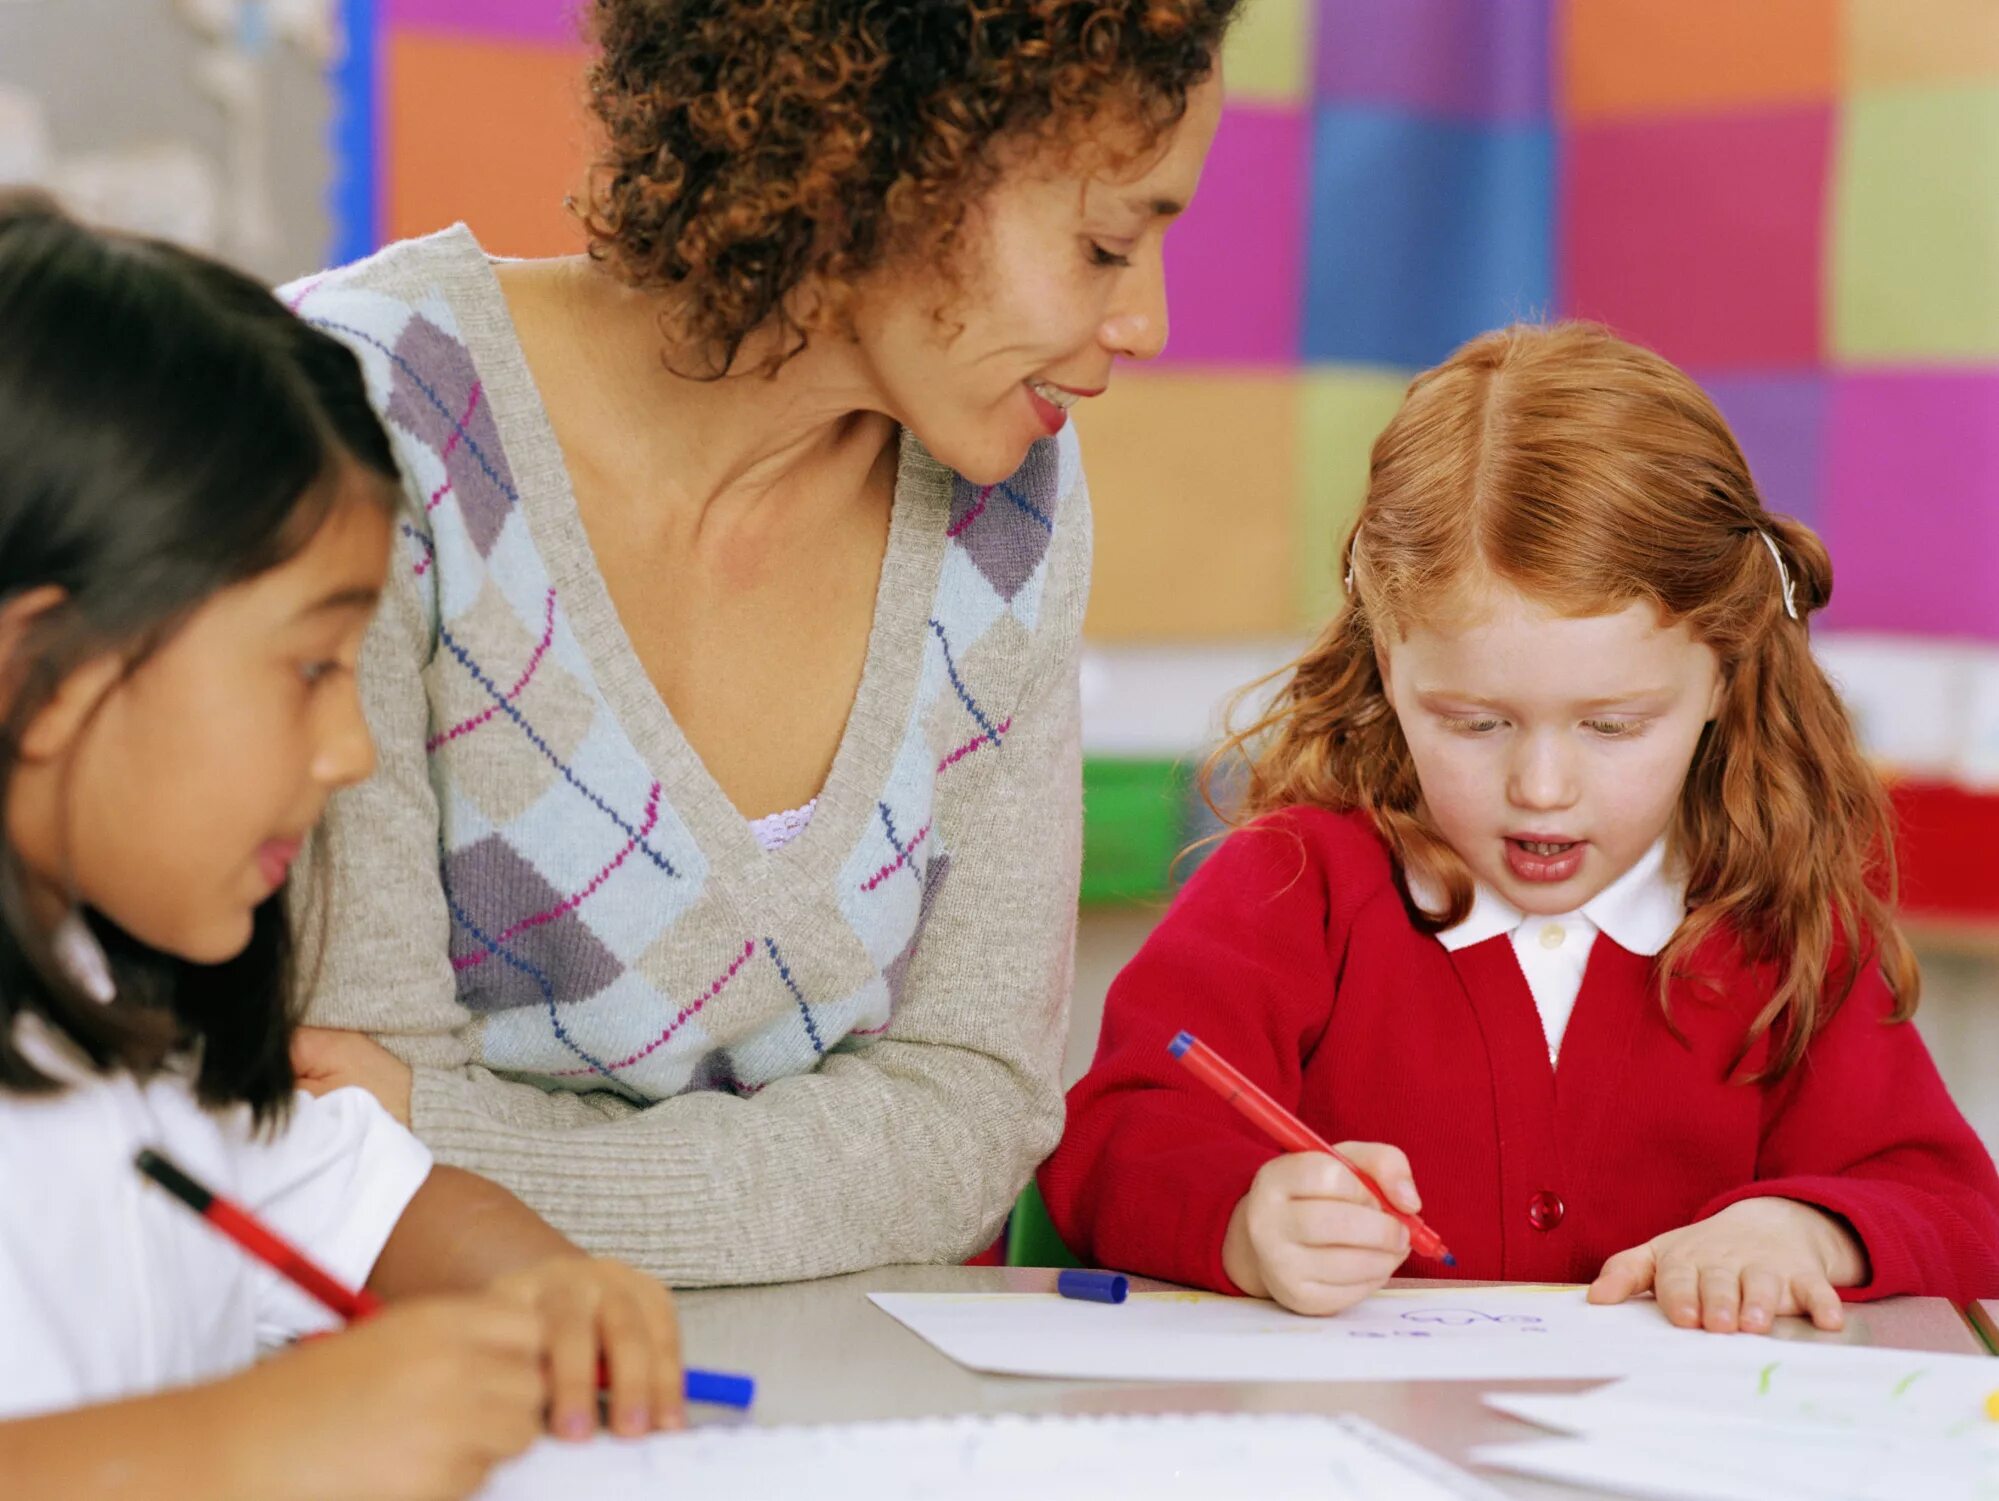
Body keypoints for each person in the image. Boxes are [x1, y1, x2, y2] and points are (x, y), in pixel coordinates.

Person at [281, 0, 1234, 1283]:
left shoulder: (1012, 509)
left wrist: (484, 1168)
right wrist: (828, 1178)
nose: (1147, 326)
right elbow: (325, 1138)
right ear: (882, 159)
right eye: (1107, 245)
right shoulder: (351, 422)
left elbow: (977, 1109)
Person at [1039, 321, 1999, 1332]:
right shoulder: (1292, 886)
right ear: (1387, 666)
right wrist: (1246, 1221)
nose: (1541, 786)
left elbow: (1956, 1210)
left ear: (1721, 670)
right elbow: (1112, 1143)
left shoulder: (1779, 923)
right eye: (1475, 723)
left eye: (1613, 725)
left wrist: (1803, 1229)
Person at [0, 197, 682, 1501]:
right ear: (39, 674)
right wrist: (254, 1450)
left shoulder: (138, 1039)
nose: (350, 749)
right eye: (308, 667)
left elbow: (382, 1211)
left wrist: (549, 1290)